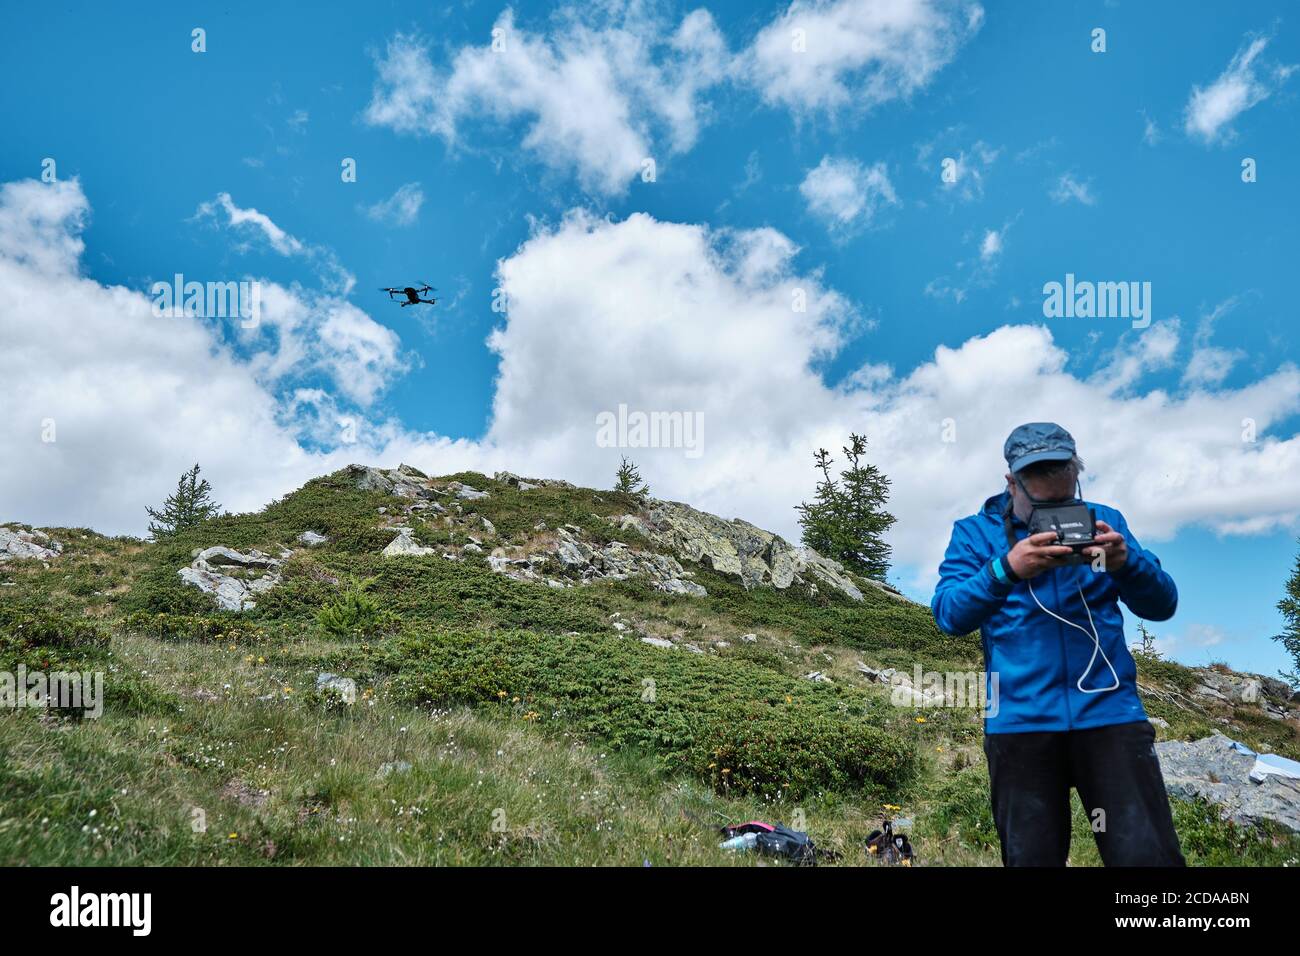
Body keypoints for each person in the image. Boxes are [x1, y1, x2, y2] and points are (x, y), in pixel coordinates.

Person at [931, 422, 1185, 866]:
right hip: (1020, 724)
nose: (1059, 519)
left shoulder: (1108, 522)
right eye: (1046, 508)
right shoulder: (974, 534)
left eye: (1068, 503)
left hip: (1110, 716)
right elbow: (949, 615)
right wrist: (1006, 569)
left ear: (1077, 477)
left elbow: (1163, 604)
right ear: (1012, 484)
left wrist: (1127, 563)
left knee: (1146, 858)